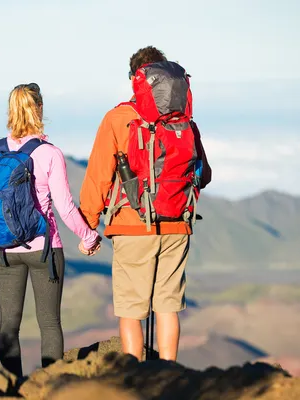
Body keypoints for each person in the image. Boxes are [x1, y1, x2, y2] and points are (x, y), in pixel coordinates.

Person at [79, 46, 212, 362]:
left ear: (135, 79)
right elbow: (203, 174)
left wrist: (88, 225)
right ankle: (169, 374)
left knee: (131, 309)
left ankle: (134, 378)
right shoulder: (184, 123)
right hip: (177, 224)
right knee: (168, 306)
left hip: (132, 225)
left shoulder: (117, 118)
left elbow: (98, 176)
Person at [0, 82, 102, 376]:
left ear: (11, 111)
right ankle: (51, 386)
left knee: (7, 323)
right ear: (40, 109)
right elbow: (65, 206)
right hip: (44, 249)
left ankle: (14, 387)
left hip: (3, 251)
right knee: (49, 323)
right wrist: (89, 236)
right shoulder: (49, 153)